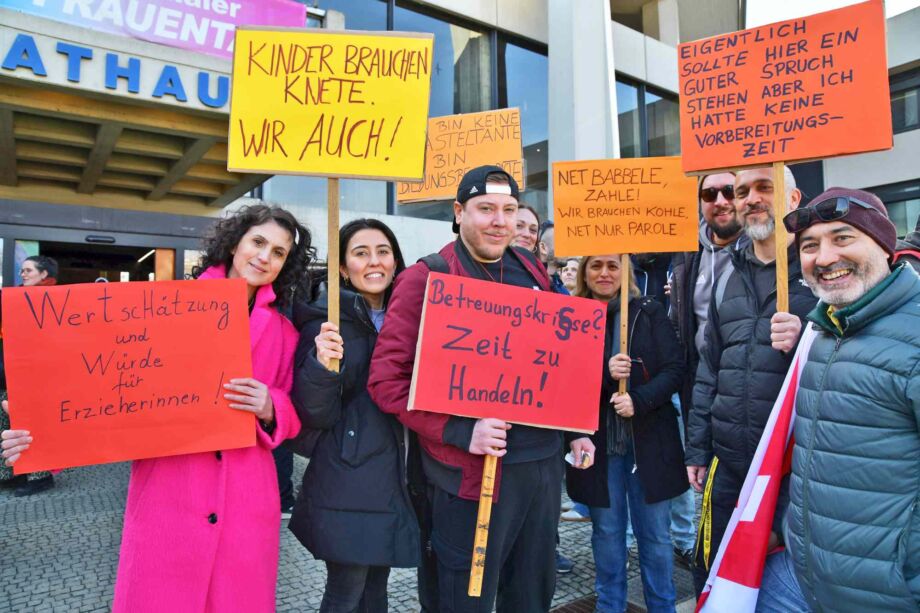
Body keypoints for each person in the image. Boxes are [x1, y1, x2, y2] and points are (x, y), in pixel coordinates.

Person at [1, 204, 311, 612]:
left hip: (247, 499)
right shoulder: (164, 307)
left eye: (278, 252)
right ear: (235, 243)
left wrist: (272, 405)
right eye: (258, 241)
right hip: (169, 493)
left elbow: (293, 414)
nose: (264, 257)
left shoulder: (285, 331)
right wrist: (39, 439)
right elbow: (103, 389)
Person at [368, 165, 594, 612]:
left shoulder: (531, 267)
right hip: (471, 481)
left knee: (531, 597)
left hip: (541, 472)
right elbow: (386, 382)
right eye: (486, 209)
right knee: (462, 601)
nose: (500, 221)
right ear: (459, 212)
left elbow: (554, 358)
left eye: (509, 210)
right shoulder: (425, 278)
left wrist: (575, 429)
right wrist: (458, 431)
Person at [767, 188, 920, 612]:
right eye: (810, 246)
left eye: (843, 238)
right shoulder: (823, 333)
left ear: (885, 246)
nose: (825, 257)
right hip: (811, 582)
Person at [685, 167, 817, 595]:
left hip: (790, 471)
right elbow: (710, 369)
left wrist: (807, 340)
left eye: (765, 187)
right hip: (727, 464)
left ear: (794, 199)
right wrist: (698, 448)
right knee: (715, 574)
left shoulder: (821, 271)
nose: (751, 198)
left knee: (778, 583)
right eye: (743, 191)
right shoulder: (728, 275)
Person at [288, 218, 419, 612]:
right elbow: (312, 412)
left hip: (400, 470)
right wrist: (321, 366)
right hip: (350, 474)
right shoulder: (322, 321)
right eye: (360, 253)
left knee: (375, 589)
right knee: (346, 591)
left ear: (396, 261)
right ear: (343, 267)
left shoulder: (411, 317)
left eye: (383, 252)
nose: (374, 262)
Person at [565, 255, 687, 613]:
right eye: (596, 265)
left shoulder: (648, 312)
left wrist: (639, 398)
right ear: (585, 271)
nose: (605, 273)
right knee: (606, 534)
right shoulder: (569, 317)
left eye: (613, 266)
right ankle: (610, 607)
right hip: (598, 445)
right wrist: (606, 373)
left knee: (656, 538)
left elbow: (674, 369)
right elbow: (561, 381)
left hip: (648, 445)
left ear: (626, 271)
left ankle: (662, 608)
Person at [668, 173, 746, 566]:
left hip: (751, 389)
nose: (720, 200)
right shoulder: (689, 256)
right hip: (699, 385)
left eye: (730, 191)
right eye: (709, 193)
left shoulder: (767, 252)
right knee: (714, 498)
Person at [0, 255, 61, 496]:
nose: (23, 274)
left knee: (32, 426)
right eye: (22, 270)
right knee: (7, 423)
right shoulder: (13, 298)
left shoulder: (53, 300)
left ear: (44, 275)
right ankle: (14, 471)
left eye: (28, 270)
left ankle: (40, 475)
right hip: (7, 372)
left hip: (35, 376)